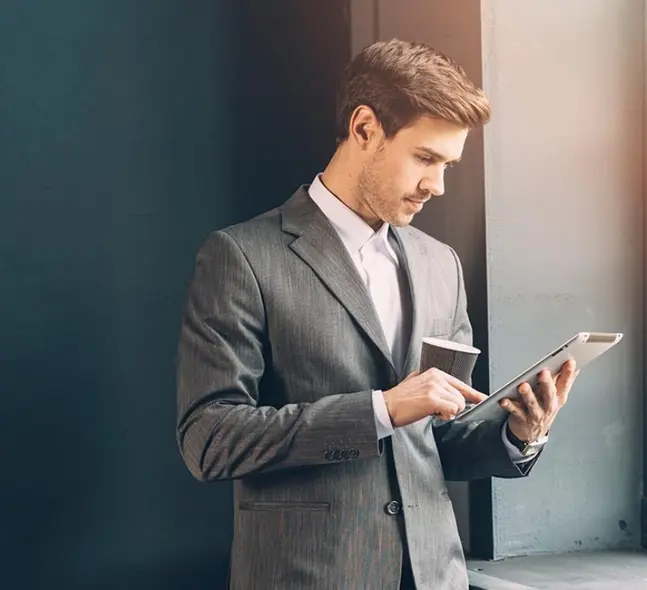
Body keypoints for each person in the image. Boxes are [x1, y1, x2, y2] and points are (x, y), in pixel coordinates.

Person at [175, 39, 579, 590]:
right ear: (364, 128)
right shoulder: (242, 257)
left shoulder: (441, 265)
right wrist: (380, 410)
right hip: (308, 577)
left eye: (448, 165)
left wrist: (518, 434)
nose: (437, 185)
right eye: (425, 158)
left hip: (435, 577)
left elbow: (437, 440)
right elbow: (209, 440)